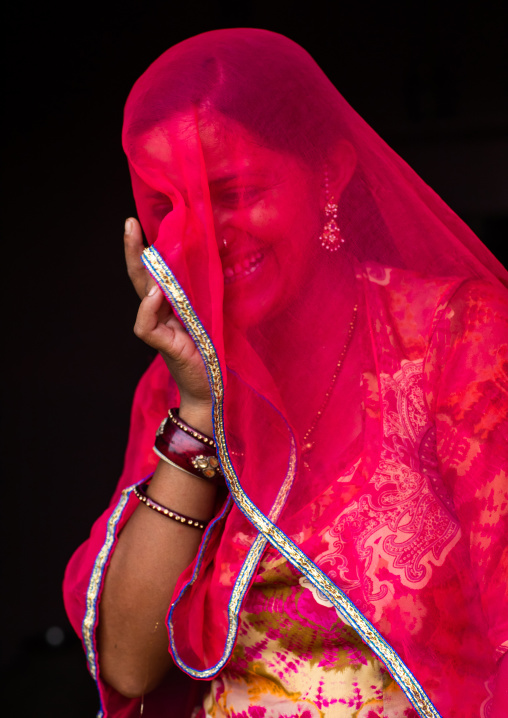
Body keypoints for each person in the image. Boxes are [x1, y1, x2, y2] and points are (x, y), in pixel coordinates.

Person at [63, 29, 508, 718]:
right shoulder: (185, 380)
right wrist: (202, 414)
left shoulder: (458, 339)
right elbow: (129, 663)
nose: (204, 236)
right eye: (172, 207)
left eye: (233, 192)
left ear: (330, 173)